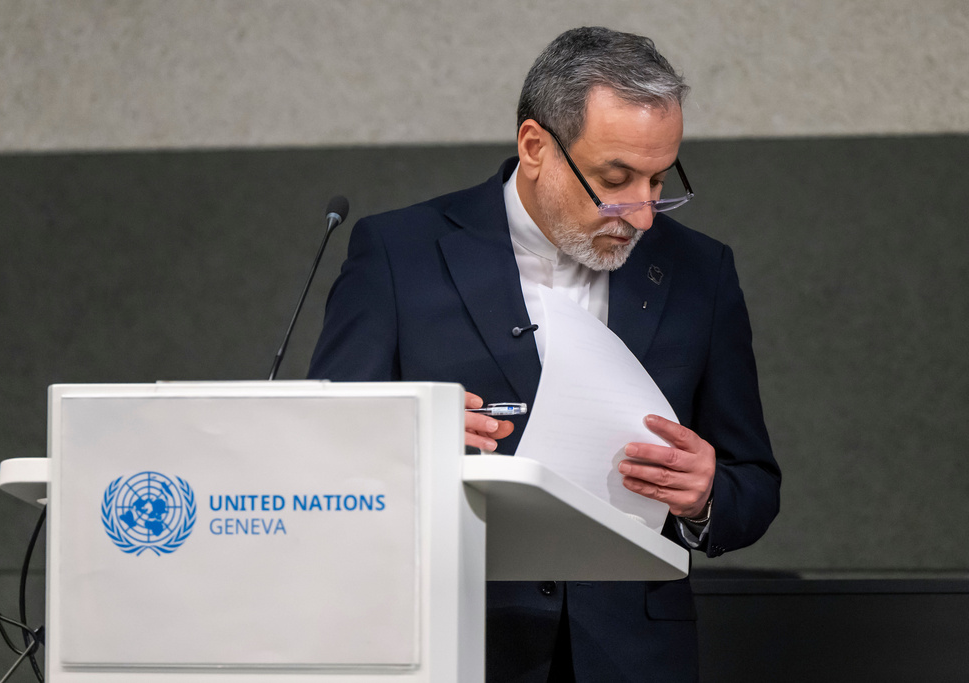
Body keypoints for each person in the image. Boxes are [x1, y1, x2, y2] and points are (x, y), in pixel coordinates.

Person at [309, 26, 781, 683]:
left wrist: (704, 496)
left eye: (659, 180)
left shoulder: (701, 270)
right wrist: (404, 441)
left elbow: (752, 482)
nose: (644, 215)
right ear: (536, 147)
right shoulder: (398, 254)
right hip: (451, 641)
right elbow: (318, 449)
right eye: (616, 179)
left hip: (633, 659)